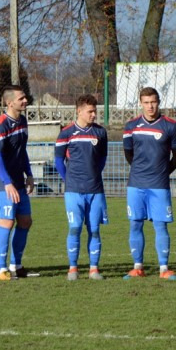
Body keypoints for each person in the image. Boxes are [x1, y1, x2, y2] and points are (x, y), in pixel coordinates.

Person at [122, 87, 176, 281]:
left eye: (153, 102)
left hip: (159, 185)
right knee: (135, 224)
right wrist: (140, 170)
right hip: (136, 184)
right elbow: (128, 154)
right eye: (146, 102)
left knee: (160, 225)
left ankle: (164, 268)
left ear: (159, 102)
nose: (150, 106)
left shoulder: (170, 126)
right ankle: (137, 267)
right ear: (141, 103)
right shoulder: (131, 126)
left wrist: (163, 172)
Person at [55, 94, 109, 281]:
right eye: (90, 111)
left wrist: (93, 175)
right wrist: (69, 180)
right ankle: (73, 268)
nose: (94, 114)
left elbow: (102, 158)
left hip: (95, 190)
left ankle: (94, 269)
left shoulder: (100, 133)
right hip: (73, 191)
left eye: (95, 111)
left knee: (94, 229)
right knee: (75, 227)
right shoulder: (66, 133)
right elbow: (58, 161)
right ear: (79, 111)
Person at [0, 85, 37, 281]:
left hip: (18, 181)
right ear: (9, 103)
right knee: (7, 222)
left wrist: (29, 174)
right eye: (21, 98)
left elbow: (21, 150)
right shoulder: (0, 124)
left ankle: (16, 266)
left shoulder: (23, 121)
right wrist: (7, 182)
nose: (25, 101)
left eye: (25, 97)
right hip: (3, 184)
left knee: (25, 221)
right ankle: (1, 269)